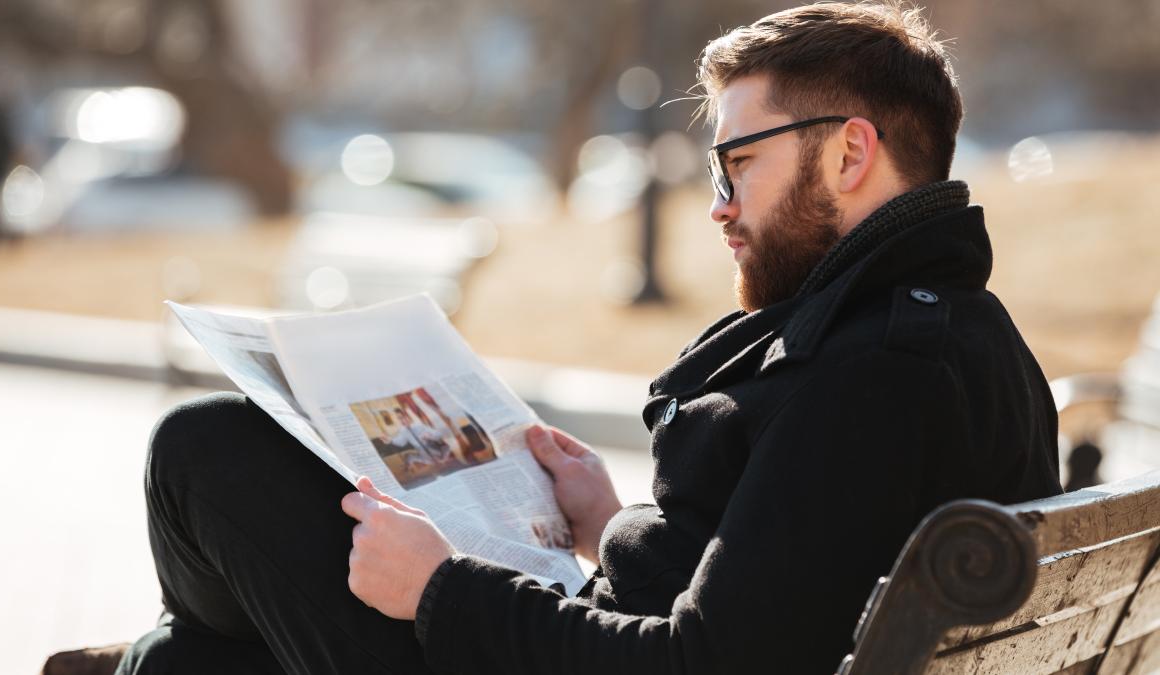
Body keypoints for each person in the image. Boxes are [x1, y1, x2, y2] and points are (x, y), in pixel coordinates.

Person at [113, 3, 1062, 674]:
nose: (721, 207)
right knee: (189, 655)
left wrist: (443, 588)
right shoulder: (962, 339)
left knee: (202, 453)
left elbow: (708, 661)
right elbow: (787, 583)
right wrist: (609, 524)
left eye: (741, 165)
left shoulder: (870, 376)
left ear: (851, 152)